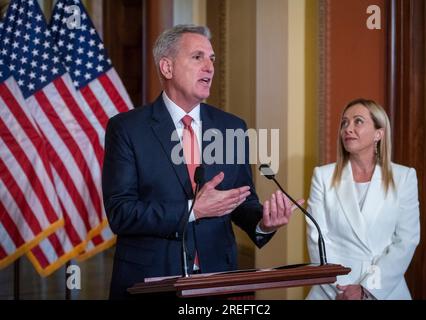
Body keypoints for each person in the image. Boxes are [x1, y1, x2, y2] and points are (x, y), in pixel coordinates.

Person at [102, 24, 297, 299]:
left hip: (217, 281)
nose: (209, 67)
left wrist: (264, 223)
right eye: (197, 57)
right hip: (151, 282)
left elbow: (242, 202)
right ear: (167, 68)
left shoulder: (232, 127)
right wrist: (192, 210)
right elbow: (121, 213)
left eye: (212, 59)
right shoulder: (127, 129)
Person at [306, 98, 420, 300]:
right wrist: (340, 289)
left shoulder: (404, 177)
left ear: (379, 133)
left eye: (358, 121)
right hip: (332, 291)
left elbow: (406, 240)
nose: (348, 129)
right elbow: (318, 242)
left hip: (384, 289)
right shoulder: (322, 177)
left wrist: (366, 290)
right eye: (344, 123)